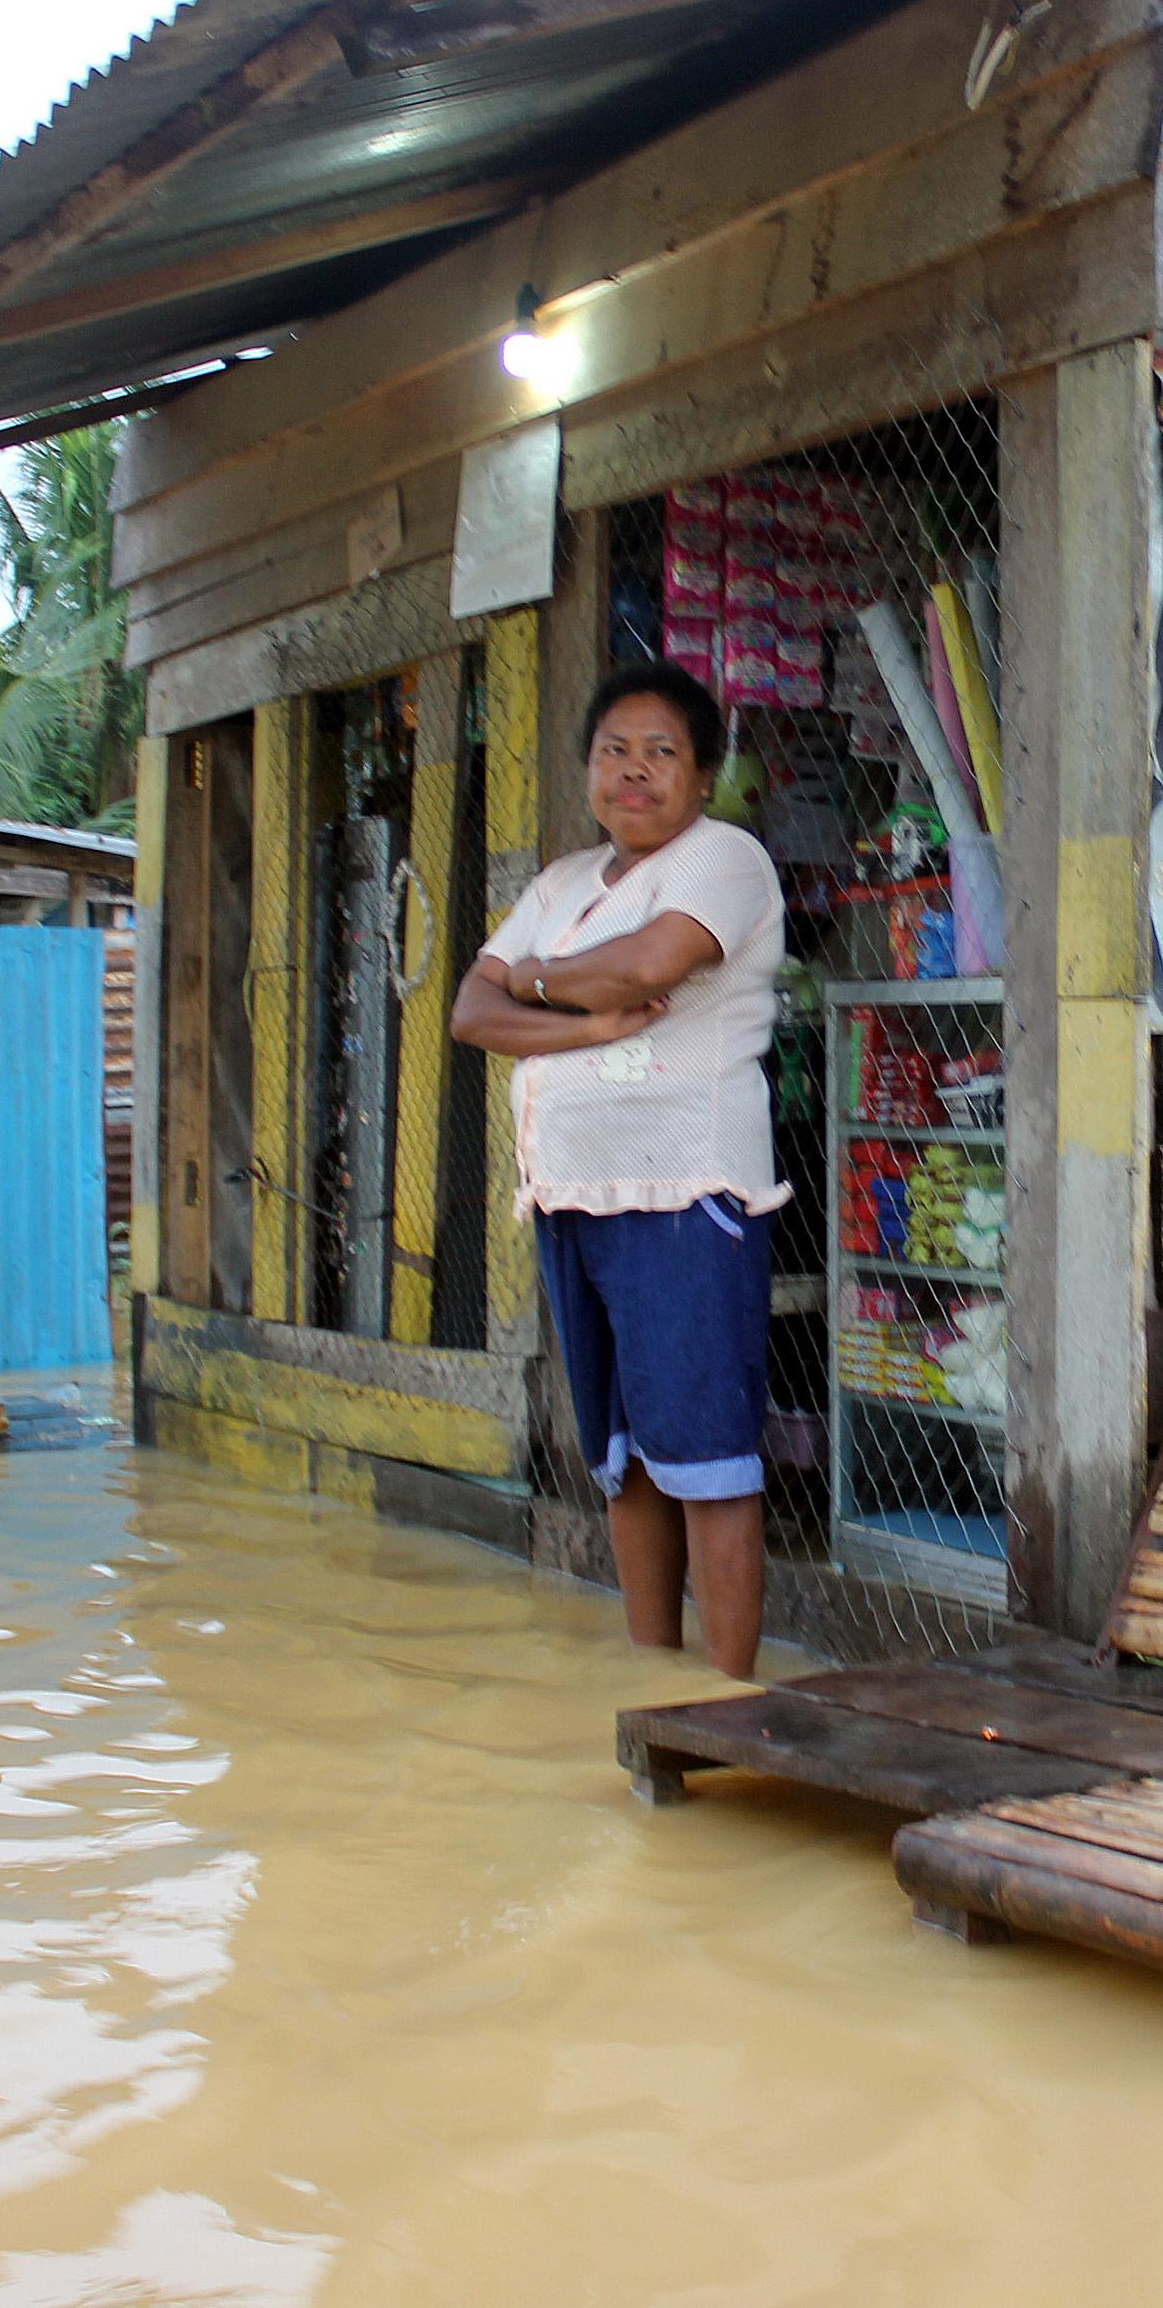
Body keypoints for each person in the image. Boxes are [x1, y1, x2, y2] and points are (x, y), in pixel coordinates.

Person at [455, 661, 786, 1677]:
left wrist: (544, 981)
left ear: (702, 773)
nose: (634, 771)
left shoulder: (723, 857)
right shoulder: (559, 884)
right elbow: (473, 1012)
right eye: (614, 749)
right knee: (628, 1460)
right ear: (587, 767)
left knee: (711, 1461)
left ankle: (726, 1701)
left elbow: (651, 964)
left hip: (686, 1191)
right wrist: (586, 1018)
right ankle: (654, 1682)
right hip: (572, 1194)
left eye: (662, 751)